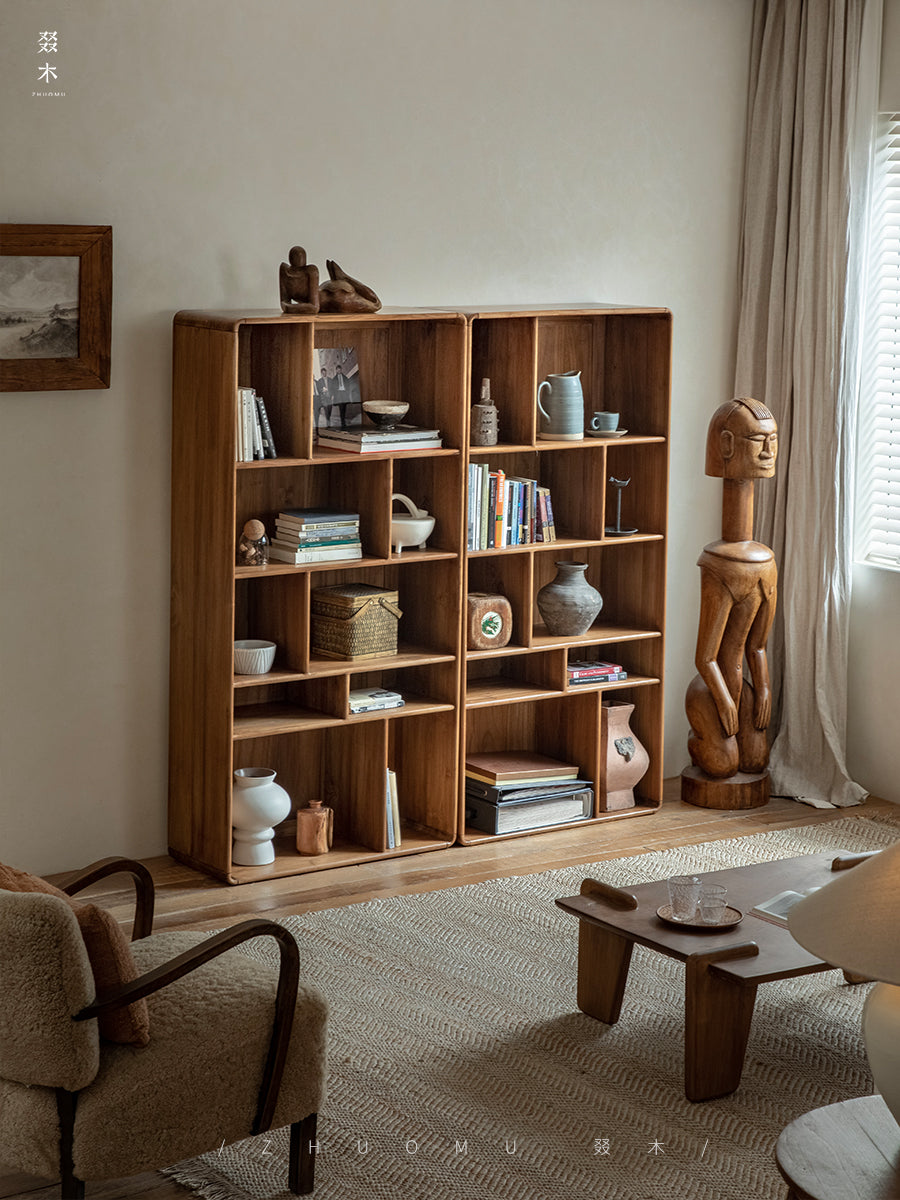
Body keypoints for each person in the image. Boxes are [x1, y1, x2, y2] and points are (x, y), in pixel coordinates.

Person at [684, 397, 778, 779]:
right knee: (724, 766)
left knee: (756, 761)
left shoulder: (765, 560)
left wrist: (765, 689)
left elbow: (757, 646)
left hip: (741, 684)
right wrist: (724, 701)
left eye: (773, 440)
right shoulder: (717, 565)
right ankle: (697, 741)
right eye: (759, 440)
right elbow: (705, 658)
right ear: (726, 445)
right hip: (711, 688)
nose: (770, 451)